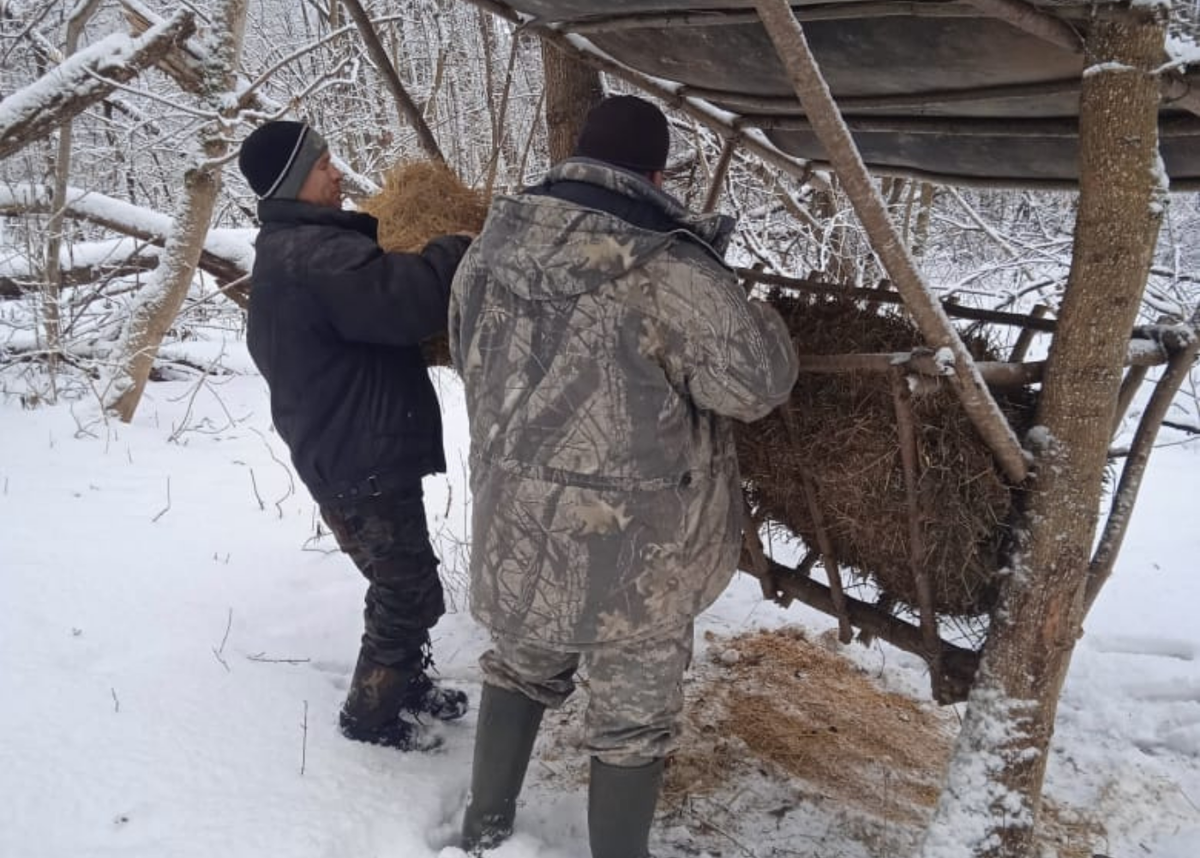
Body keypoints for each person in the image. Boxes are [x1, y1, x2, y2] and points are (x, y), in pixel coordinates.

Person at [449, 96, 799, 857]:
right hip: (636, 550)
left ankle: (483, 829)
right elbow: (756, 388)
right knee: (631, 718)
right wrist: (764, 317)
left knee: (520, 661)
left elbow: (465, 351)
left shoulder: (487, 250)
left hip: (519, 523)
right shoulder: (668, 269)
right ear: (655, 173)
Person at [237, 120, 471, 752]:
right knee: (401, 589)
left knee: (412, 579)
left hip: (352, 449)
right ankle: (369, 717)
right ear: (293, 181)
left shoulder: (294, 247)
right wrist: (455, 248)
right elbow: (410, 301)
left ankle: (405, 684)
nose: (337, 173)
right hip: (359, 459)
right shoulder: (315, 256)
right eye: (322, 166)